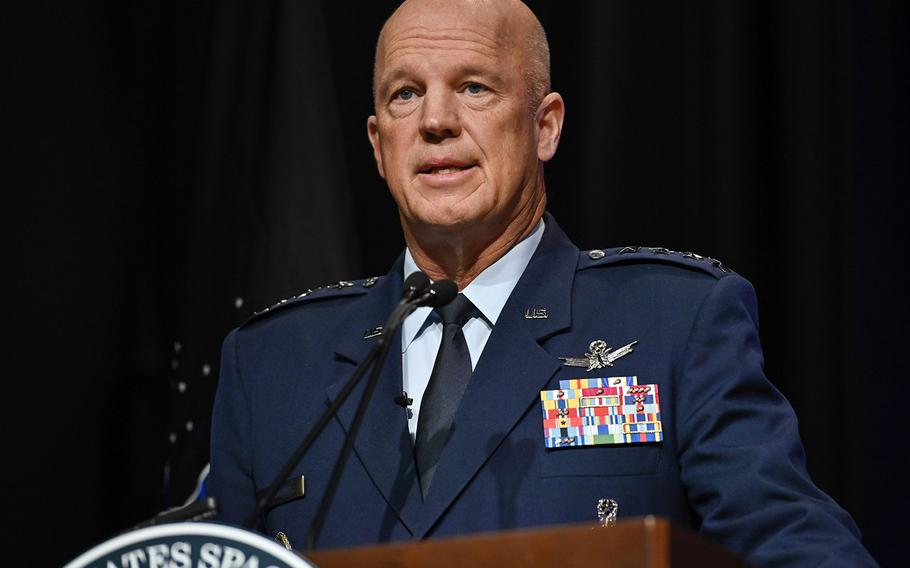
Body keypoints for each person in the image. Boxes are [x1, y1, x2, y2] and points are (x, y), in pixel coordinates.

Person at [209, 0, 876, 565]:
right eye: (405, 94)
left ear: (545, 125)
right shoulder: (269, 366)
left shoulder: (676, 323)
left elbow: (802, 550)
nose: (436, 120)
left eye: (474, 87)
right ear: (380, 145)